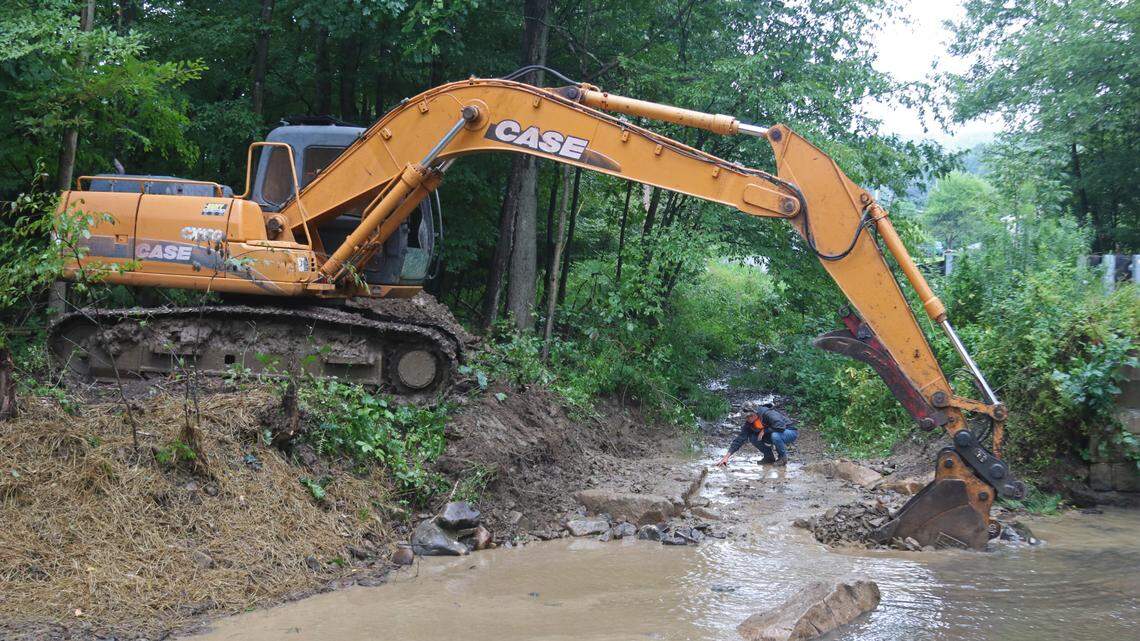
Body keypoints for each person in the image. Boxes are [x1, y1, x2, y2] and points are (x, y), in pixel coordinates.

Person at [716, 403, 798, 467]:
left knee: (775, 435)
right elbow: (740, 439)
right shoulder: (748, 424)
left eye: (751, 416)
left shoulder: (767, 413)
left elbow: (780, 427)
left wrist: (765, 431)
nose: (749, 419)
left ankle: (782, 458)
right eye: (746, 417)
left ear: (756, 412)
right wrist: (726, 457)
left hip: (789, 431)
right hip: (773, 432)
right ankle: (769, 457)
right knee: (753, 437)